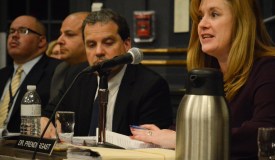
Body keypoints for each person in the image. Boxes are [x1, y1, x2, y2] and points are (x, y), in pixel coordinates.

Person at [130, 0, 275, 159]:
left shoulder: (271, 69)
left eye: (214, 14)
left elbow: (264, 133)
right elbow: (186, 128)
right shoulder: (207, 73)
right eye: (200, 17)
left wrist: (183, 139)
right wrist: (158, 136)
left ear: (242, 21)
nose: (202, 24)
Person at [42, 9, 173, 137]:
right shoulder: (78, 75)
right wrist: (44, 120)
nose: (99, 51)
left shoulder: (151, 85)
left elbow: (152, 142)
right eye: (91, 44)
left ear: (126, 44)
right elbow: (50, 113)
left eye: (108, 43)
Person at [0, 15, 60, 132]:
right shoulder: (2, 74)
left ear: (41, 41)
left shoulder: (56, 70)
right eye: (12, 31)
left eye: (23, 31)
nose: (14, 35)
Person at [48, 12, 89, 102]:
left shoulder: (100, 71)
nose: (59, 41)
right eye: (61, 34)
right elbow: (53, 111)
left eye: (69, 34)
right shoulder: (61, 69)